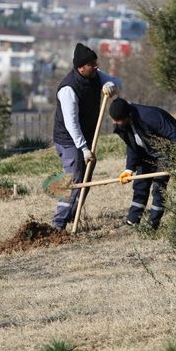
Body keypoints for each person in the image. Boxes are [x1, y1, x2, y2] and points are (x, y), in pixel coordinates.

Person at [51, 42, 121, 230]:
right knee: (74, 180)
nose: (97, 67)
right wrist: (83, 148)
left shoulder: (96, 76)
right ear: (81, 67)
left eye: (96, 63)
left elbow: (117, 83)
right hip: (69, 140)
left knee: (85, 180)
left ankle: (72, 218)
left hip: (88, 136)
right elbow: (71, 123)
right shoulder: (68, 89)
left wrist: (110, 85)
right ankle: (57, 224)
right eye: (92, 64)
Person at [109, 98, 176, 230]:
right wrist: (129, 168)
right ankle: (132, 222)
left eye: (119, 120)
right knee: (140, 184)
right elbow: (132, 145)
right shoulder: (121, 124)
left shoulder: (150, 117)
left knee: (158, 186)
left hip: (167, 151)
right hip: (147, 151)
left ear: (128, 115)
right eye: (115, 120)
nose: (117, 123)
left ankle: (153, 225)